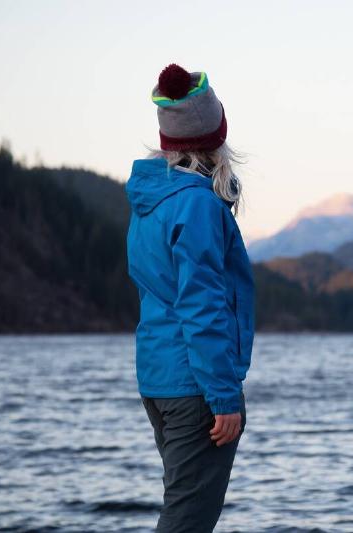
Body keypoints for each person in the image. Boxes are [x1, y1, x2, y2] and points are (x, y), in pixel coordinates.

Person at [125, 63, 255, 532]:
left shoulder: (151, 204)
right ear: (215, 134)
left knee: (181, 509)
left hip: (159, 381)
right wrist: (222, 395)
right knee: (187, 520)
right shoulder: (197, 204)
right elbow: (201, 305)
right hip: (195, 386)